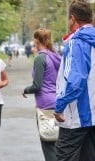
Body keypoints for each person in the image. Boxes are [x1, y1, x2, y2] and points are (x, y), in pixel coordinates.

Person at [54, 1, 95, 161]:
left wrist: (59, 106)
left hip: (75, 115)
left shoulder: (76, 42)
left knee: (64, 157)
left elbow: (75, 80)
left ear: (72, 18)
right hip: (93, 115)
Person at [23, 28, 61, 161]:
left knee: (48, 143)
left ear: (36, 40)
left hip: (45, 105)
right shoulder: (55, 55)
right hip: (58, 102)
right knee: (57, 143)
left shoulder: (40, 58)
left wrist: (26, 90)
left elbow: (37, 85)